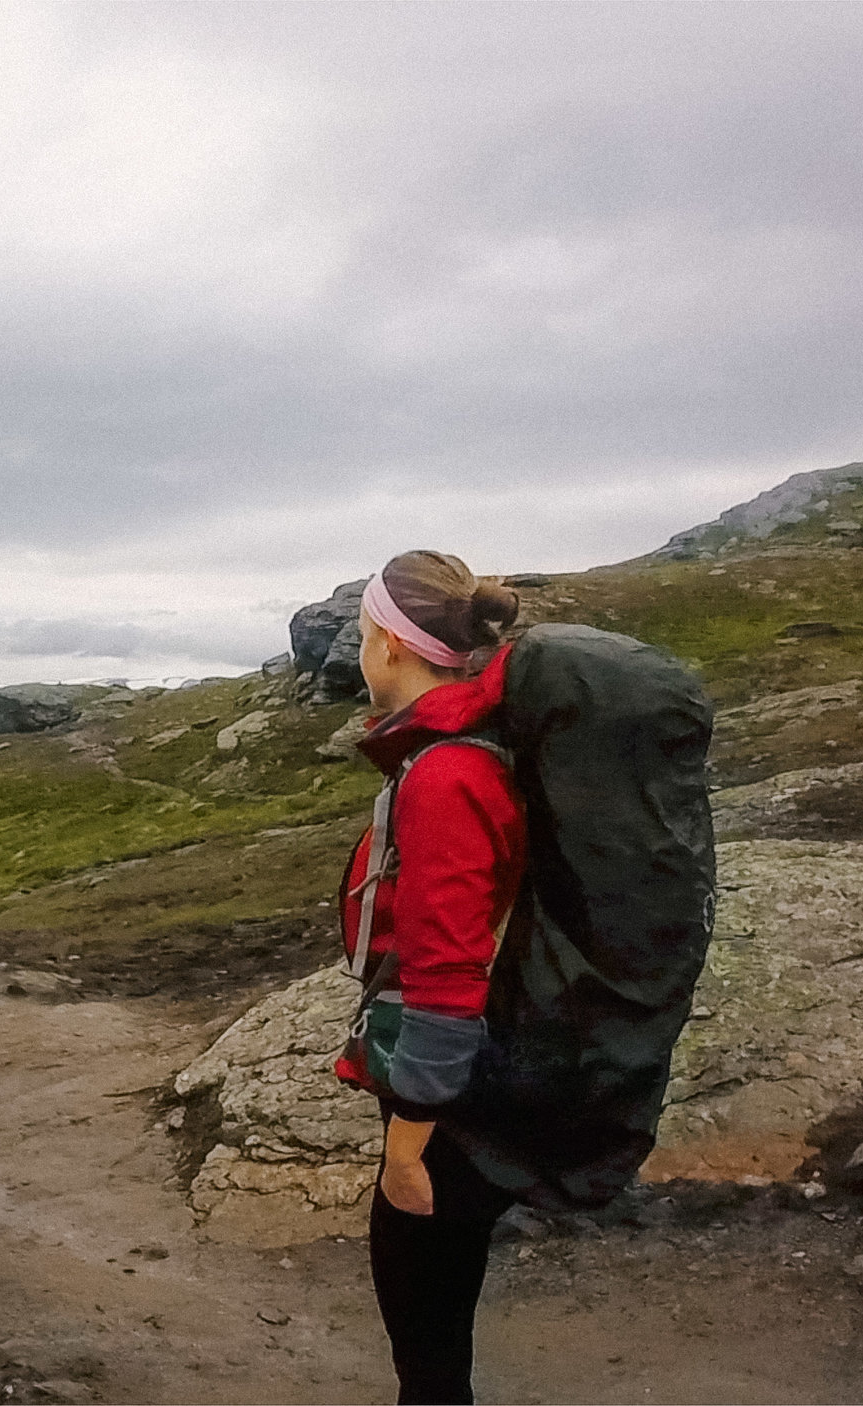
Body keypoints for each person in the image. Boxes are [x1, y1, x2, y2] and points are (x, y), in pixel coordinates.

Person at [334, 549, 526, 1406]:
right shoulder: (465, 750)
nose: (362, 649)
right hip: (468, 1072)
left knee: (428, 1338)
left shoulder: (446, 772)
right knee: (438, 1305)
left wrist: (409, 1141)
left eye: (366, 630)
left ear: (392, 646)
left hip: (444, 1093)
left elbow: (447, 972)